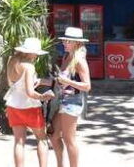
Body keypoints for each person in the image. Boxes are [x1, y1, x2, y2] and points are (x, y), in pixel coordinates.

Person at [2, 37, 54, 167]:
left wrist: (37, 82)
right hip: (29, 106)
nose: (36, 55)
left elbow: (14, 84)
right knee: (42, 139)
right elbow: (30, 93)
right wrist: (44, 96)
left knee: (19, 142)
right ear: (29, 52)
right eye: (35, 52)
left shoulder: (12, 61)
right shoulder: (29, 66)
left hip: (13, 104)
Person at [51, 27, 91, 167]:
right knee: (54, 135)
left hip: (72, 101)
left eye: (68, 41)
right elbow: (60, 80)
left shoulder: (79, 60)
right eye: (64, 40)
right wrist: (44, 81)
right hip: (62, 100)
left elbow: (87, 86)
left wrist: (67, 82)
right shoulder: (67, 56)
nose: (64, 43)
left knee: (69, 139)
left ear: (76, 43)